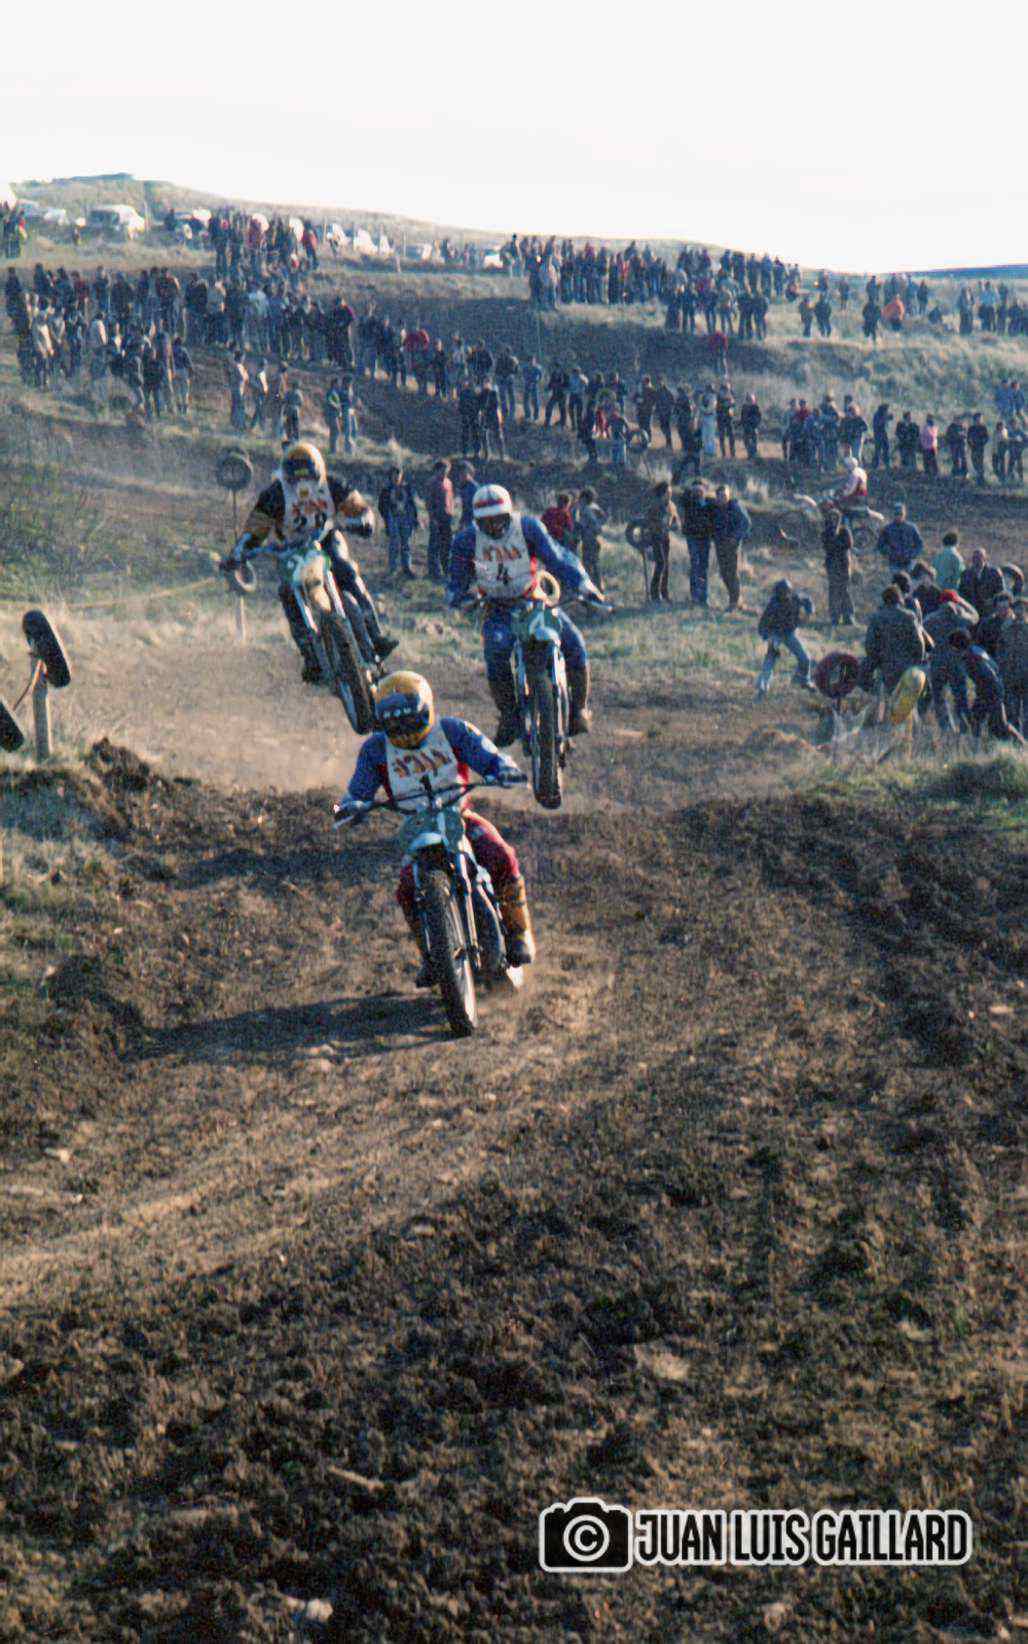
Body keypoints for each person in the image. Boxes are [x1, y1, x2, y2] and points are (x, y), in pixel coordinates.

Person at [334, 671, 536, 973]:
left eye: (410, 720)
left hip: (459, 817)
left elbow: (489, 755)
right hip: (417, 829)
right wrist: (347, 808)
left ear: (427, 709)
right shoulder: (374, 750)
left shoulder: (453, 731)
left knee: (501, 854)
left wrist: (503, 769)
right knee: (406, 889)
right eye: (394, 723)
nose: (403, 730)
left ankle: (519, 933)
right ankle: (430, 955)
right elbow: (357, 791)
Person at [220, 441, 397, 681]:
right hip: (290, 548)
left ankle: (374, 635)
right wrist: (238, 553)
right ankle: (310, 656)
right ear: (287, 475)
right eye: (297, 477)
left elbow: (359, 507)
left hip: (325, 538)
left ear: (318, 471)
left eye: (308, 476)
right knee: (288, 592)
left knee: (345, 570)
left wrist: (363, 520)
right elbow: (255, 529)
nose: (303, 483)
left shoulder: (332, 484)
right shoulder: (275, 494)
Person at [446, 483, 604, 745]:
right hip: (498, 608)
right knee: (496, 655)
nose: (493, 526)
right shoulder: (466, 540)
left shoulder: (528, 528)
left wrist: (583, 585)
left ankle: (579, 710)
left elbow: (557, 557)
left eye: (498, 518)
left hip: (533, 601)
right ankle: (509, 716)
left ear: (508, 514)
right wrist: (458, 597)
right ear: (476, 520)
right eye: (486, 521)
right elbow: (456, 576)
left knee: (575, 643)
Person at [947, 630, 1024, 744]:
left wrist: (988, 695)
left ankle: (1022, 744)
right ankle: (976, 746)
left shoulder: (972, 657)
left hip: (991, 692)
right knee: (976, 721)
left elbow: (989, 677)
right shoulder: (975, 650)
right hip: (988, 691)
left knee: (1000, 724)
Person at [755, 580, 816, 696]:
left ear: (789, 592)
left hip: (790, 632)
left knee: (805, 658)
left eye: (785, 593)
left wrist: (809, 612)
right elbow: (762, 625)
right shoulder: (773, 604)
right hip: (775, 634)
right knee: (770, 658)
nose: (784, 596)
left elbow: (808, 601)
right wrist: (768, 637)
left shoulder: (796, 598)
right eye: (781, 594)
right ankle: (763, 686)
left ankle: (804, 680)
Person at [862, 585, 926, 694]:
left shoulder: (877, 618)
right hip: (907, 668)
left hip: (886, 667)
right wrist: (917, 663)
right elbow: (919, 643)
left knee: (888, 696)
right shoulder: (909, 616)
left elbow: (870, 645)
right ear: (899, 599)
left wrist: (877, 662)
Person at [709, 483, 750, 611]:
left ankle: (734, 602)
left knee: (732, 572)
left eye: (725, 496)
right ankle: (735, 600)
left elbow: (746, 523)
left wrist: (735, 537)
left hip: (732, 545)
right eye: (720, 496)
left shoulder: (735, 507)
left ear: (729, 496)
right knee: (724, 572)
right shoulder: (715, 508)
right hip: (720, 544)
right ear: (716, 497)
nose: (723, 498)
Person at [679, 480, 716, 608]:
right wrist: (689, 490)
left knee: (703, 568)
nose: (698, 493)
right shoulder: (689, 502)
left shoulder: (709, 504)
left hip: (705, 539)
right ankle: (695, 596)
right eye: (696, 491)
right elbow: (682, 499)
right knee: (695, 564)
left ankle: (703, 597)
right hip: (693, 538)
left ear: (705, 491)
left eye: (700, 491)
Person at [643, 480, 680, 604]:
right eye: (667, 492)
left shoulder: (671, 506)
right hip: (655, 537)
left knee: (666, 566)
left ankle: (664, 593)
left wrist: (675, 525)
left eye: (670, 492)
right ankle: (655, 594)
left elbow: (676, 520)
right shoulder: (654, 506)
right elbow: (648, 522)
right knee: (660, 563)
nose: (670, 494)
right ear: (662, 493)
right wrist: (658, 526)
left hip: (665, 538)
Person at [378, 466, 419, 577]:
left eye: (399, 474)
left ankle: (407, 568)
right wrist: (386, 517)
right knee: (394, 544)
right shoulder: (386, 490)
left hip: (406, 518)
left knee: (406, 544)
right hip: (393, 518)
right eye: (394, 475)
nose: (397, 477)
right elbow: (381, 506)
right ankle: (393, 569)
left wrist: (415, 519)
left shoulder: (407, 488)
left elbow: (413, 504)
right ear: (390, 476)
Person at [997, 598, 1028, 734]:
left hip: (1026, 673)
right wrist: (1001, 666)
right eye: (1016, 608)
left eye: (1022, 608)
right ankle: (1016, 738)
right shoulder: (1006, 627)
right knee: (1012, 710)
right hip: (1011, 674)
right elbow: (1000, 648)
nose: (1019, 611)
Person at [822, 509, 855, 627]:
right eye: (831, 518)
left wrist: (836, 541)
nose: (834, 521)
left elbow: (849, 544)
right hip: (832, 565)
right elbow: (827, 546)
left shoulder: (844, 530)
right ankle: (834, 617)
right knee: (833, 591)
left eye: (836, 518)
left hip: (844, 565)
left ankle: (848, 616)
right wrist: (833, 536)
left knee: (844, 590)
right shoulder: (826, 533)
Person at [425, 459, 454, 582]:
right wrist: (432, 518)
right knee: (435, 544)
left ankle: (446, 569)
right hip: (436, 517)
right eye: (442, 471)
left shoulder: (448, 482)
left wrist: (452, 512)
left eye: (447, 471)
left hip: (447, 517)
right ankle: (433, 571)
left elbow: (451, 499)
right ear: (437, 470)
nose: (444, 473)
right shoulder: (431, 483)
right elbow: (428, 502)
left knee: (447, 544)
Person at [573, 488, 607, 591]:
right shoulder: (595, 507)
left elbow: (583, 524)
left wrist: (579, 527)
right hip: (596, 539)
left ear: (584, 498)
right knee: (595, 564)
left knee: (587, 565)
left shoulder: (585, 509)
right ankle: (599, 586)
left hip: (589, 540)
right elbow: (603, 518)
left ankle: (592, 588)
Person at [876, 502, 925, 573]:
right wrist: (890, 553)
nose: (899, 516)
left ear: (905, 514)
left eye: (901, 514)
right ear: (893, 514)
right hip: (894, 563)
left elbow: (920, 544)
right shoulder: (887, 529)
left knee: (910, 578)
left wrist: (912, 554)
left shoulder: (911, 528)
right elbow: (880, 545)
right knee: (897, 578)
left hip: (909, 562)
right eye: (896, 514)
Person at [958, 547, 1004, 618]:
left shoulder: (994, 573)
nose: (976, 560)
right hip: (972, 610)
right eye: (974, 558)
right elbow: (962, 592)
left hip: (990, 611)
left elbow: (1001, 592)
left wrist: (992, 601)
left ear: (985, 559)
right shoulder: (966, 574)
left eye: (979, 558)